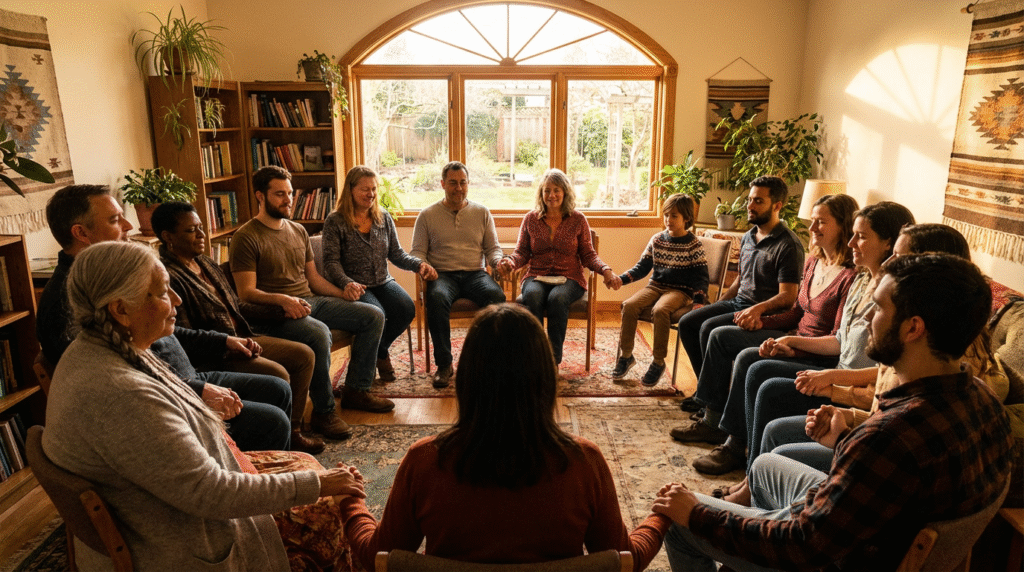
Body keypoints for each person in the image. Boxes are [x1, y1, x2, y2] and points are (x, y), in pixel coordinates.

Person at [653, 253, 1014, 572]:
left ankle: (729, 526)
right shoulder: (982, 399)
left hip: (838, 558)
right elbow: (894, 482)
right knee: (764, 467)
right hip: (870, 528)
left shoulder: (890, 438)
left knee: (679, 521)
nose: (868, 316)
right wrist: (843, 440)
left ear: (912, 328)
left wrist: (698, 514)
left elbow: (801, 547)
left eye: (878, 307)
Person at [42, 241, 365, 571]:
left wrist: (200, 413)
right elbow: (212, 494)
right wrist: (320, 486)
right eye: (164, 291)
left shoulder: (102, 349)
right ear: (120, 309)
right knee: (333, 507)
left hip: (168, 507)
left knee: (304, 460)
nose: (177, 301)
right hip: (181, 540)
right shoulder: (120, 394)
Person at [333, 304, 670, 571]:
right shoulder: (584, 463)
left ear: (467, 378)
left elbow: (377, 557)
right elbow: (624, 560)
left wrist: (350, 501)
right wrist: (661, 514)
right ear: (545, 379)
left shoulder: (424, 462)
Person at [38, 185, 293, 452]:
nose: (128, 225)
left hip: (186, 379)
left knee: (277, 389)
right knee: (271, 422)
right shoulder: (68, 301)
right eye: (115, 220)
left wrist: (223, 340)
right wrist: (196, 391)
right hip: (165, 400)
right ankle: (253, 473)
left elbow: (166, 329)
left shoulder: (108, 276)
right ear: (81, 233)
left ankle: (276, 461)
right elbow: (119, 379)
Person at [757, 223, 1008, 476]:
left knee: (772, 457)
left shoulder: (936, 351)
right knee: (773, 427)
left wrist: (836, 391)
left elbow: (888, 431)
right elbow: (883, 392)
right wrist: (842, 415)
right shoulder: (936, 364)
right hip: (868, 427)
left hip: (875, 440)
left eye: (899, 256)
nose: (889, 263)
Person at [713, 201, 915, 503]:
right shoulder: (861, 280)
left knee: (768, 385)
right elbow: (838, 340)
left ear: (889, 243)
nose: (850, 243)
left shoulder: (896, 298)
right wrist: (792, 343)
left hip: (849, 383)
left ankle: (752, 483)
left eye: (861, 236)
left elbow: (885, 373)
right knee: (756, 364)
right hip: (837, 372)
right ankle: (749, 474)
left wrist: (829, 376)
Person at [671, 194, 860, 475]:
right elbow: (796, 312)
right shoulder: (813, 262)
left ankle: (733, 444)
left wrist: (791, 346)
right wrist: (763, 321)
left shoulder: (850, 276)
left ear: (843, 226)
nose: (812, 228)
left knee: (748, 358)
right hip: (794, 341)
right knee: (721, 335)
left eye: (821, 222)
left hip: (818, 357)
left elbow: (835, 339)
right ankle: (716, 416)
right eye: (813, 220)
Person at [151, 201, 325, 453]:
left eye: (201, 227)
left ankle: (294, 430)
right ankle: (268, 437)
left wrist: (280, 308)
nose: (201, 235)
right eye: (191, 230)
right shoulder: (170, 276)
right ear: (168, 237)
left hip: (244, 336)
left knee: (303, 355)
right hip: (217, 353)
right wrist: (226, 344)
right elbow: (181, 334)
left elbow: (237, 306)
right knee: (278, 375)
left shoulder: (206, 264)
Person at [231, 166, 393, 425]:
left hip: (309, 301)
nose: (288, 200)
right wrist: (284, 300)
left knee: (372, 315)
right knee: (318, 333)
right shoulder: (245, 237)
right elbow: (246, 292)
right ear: (260, 196)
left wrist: (344, 293)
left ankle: (356, 390)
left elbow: (314, 280)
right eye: (279, 194)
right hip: (275, 313)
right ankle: (324, 411)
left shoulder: (297, 230)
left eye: (290, 193)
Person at [675, 176, 804, 400]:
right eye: (750, 200)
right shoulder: (748, 237)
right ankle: (709, 392)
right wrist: (718, 304)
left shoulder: (788, 245)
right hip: (738, 304)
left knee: (708, 328)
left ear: (777, 206)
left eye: (758, 201)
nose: (750, 206)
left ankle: (710, 400)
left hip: (764, 313)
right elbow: (740, 281)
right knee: (688, 323)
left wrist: (757, 310)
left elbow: (788, 296)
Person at [322, 166, 436, 382]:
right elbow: (331, 262)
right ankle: (371, 364)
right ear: (351, 190)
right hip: (355, 285)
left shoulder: (383, 217)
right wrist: (346, 283)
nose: (371, 194)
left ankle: (379, 350)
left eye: (374, 189)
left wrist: (419, 265)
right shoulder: (335, 221)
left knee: (406, 308)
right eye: (365, 189)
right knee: (378, 313)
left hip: (383, 281)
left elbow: (397, 254)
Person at [496, 168, 617, 367]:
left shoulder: (578, 220)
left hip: (570, 277)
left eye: (556, 190)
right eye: (547, 190)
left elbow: (588, 254)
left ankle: (552, 359)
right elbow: (522, 252)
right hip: (536, 275)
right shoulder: (530, 219)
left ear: (565, 192)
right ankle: (535, 353)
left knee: (557, 298)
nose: (551, 195)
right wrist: (510, 262)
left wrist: (605, 269)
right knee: (533, 296)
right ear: (541, 194)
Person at [410, 161, 506, 388]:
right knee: (436, 298)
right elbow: (417, 253)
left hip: (475, 273)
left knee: (497, 299)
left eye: (463, 182)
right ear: (443, 184)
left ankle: (487, 361)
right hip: (442, 275)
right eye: (453, 183)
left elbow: (493, 248)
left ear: (468, 184)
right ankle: (444, 365)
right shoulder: (427, 215)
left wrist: (497, 261)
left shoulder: (482, 212)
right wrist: (424, 266)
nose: (458, 188)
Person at [609, 193, 709, 386]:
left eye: (674, 216)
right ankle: (626, 356)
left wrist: (698, 303)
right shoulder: (657, 239)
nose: (668, 220)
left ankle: (658, 361)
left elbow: (701, 277)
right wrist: (621, 280)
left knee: (660, 310)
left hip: (680, 292)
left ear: (686, 218)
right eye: (666, 215)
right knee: (628, 305)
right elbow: (642, 268)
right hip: (656, 286)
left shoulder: (693, 244)